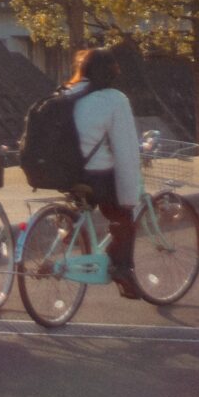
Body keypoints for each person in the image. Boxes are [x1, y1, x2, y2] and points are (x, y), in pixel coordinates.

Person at [64, 45, 144, 299]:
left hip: (64, 173)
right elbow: (125, 150)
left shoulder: (65, 92)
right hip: (95, 175)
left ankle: (72, 230)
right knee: (122, 214)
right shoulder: (114, 99)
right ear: (112, 72)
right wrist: (130, 195)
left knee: (87, 200)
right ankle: (121, 269)